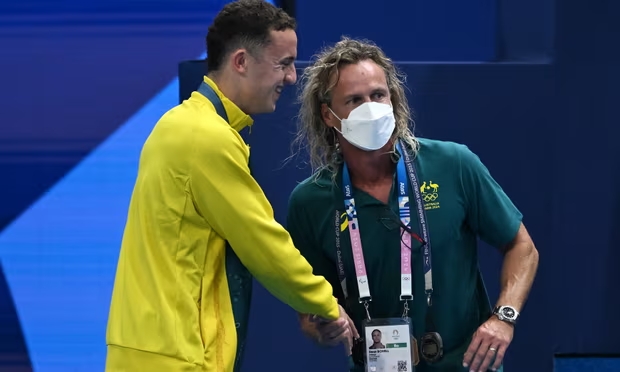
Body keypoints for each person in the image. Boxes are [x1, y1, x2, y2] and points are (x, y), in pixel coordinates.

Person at [105, 2, 354, 371]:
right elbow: (262, 243)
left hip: (152, 347)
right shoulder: (206, 137)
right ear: (241, 62)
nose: (291, 78)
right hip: (175, 355)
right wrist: (325, 302)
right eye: (282, 64)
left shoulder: (182, 125)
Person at [288, 37, 539, 372]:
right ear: (329, 115)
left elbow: (522, 246)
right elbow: (311, 314)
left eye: (378, 95)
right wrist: (325, 329)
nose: (371, 108)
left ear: (393, 98)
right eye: (354, 100)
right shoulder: (311, 201)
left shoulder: (452, 164)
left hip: (465, 365)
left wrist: (504, 317)